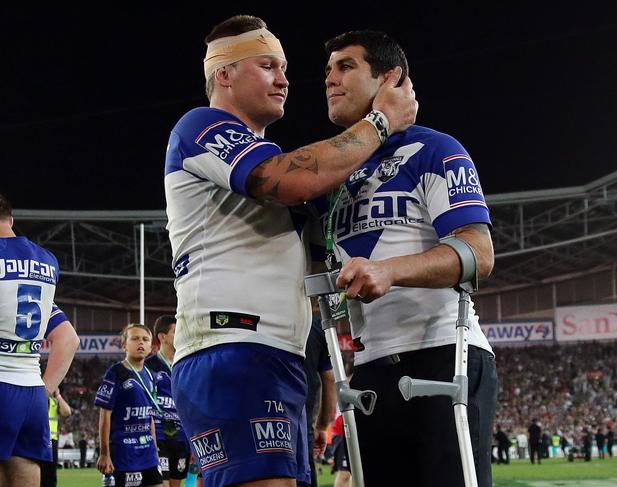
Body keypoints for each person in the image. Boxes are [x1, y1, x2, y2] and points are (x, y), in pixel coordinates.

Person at [164, 14, 416, 487]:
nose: (284, 79)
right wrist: (379, 122)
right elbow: (289, 179)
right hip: (232, 345)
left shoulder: (262, 152)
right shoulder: (201, 126)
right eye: (267, 66)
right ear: (224, 74)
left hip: (275, 353)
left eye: (282, 67)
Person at [309, 30, 497, 487]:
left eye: (345, 66)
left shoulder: (435, 149)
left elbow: (478, 251)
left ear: (391, 77)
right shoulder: (331, 174)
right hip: (370, 369)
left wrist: (388, 271)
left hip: (442, 353)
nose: (330, 79)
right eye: (328, 70)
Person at [0, 193, 80, 487]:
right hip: (32, 392)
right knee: (25, 475)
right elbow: (68, 338)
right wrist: (44, 389)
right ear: (12, 219)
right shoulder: (47, 262)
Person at [95, 324, 163, 487]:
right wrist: (104, 453)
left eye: (145, 339)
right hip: (124, 455)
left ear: (151, 347)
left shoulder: (151, 376)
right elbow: (105, 415)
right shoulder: (116, 373)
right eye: (135, 338)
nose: (141, 342)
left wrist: (154, 448)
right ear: (124, 345)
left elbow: (150, 417)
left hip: (148, 455)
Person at [145, 315, 190, 487]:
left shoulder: (185, 364)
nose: (179, 335)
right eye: (175, 331)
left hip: (181, 436)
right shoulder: (149, 365)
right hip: (159, 433)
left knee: (175, 485)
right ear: (162, 337)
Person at [299, 306, 336, 487]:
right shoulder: (315, 326)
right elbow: (329, 380)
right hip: (299, 424)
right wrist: (323, 426)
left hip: (259, 421)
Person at [41, 388, 72, 487]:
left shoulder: (54, 402)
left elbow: (67, 412)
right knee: (38, 472)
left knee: (50, 474)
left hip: (51, 441)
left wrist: (58, 396)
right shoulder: (38, 398)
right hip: (39, 440)